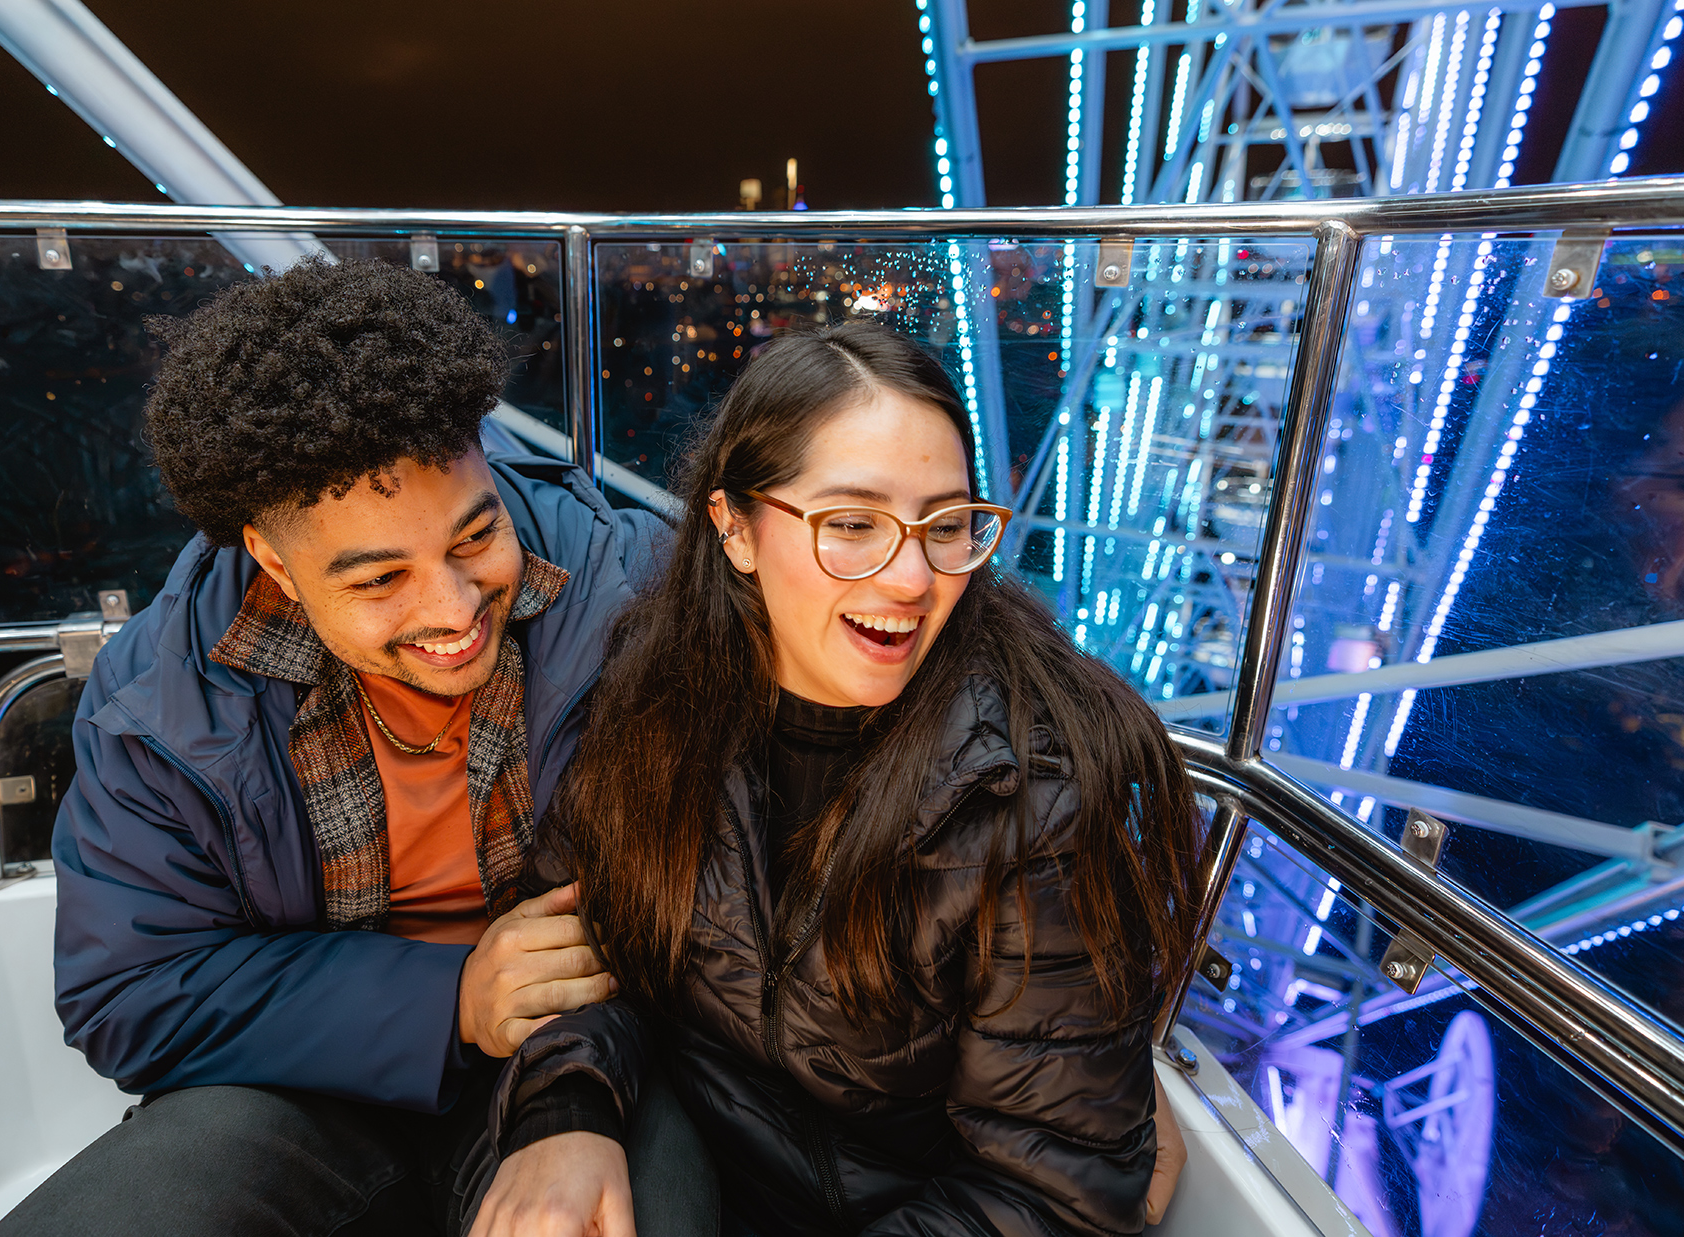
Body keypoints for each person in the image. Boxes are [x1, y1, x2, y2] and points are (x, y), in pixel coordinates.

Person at [0, 256, 714, 1236]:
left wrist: (568, 1096)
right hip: (300, 1081)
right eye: (379, 581)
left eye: (473, 538)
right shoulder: (162, 701)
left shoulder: (626, 603)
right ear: (272, 562)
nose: (453, 611)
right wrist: (451, 999)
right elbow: (129, 990)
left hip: (576, 1052)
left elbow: (696, 906)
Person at [471, 320, 1203, 1236]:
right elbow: (582, 945)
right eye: (853, 525)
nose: (911, 577)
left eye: (945, 526)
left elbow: (1052, 1190)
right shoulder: (657, 693)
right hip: (689, 1162)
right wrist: (565, 1112)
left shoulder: (1033, 799)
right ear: (734, 527)